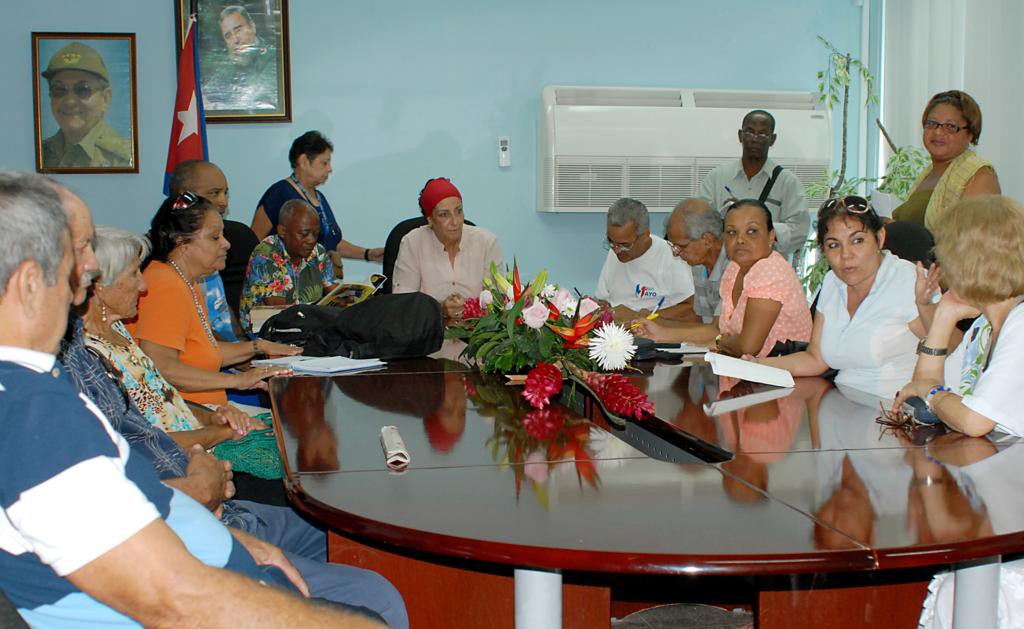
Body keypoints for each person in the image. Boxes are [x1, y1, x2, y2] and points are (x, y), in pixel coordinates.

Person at [0, 171, 383, 627]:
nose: (91, 270)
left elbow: (131, 507)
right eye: (79, 249)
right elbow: (175, 599)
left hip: (213, 541)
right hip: (209, 588)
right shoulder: (31, 415)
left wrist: (234, 537)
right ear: (28, 282)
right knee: (377, 599)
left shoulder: (44, 386)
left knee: (365, 557)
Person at [131, 193, 300, 408]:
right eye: (215, 237)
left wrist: (258, 347)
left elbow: (202, 353)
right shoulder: (165, 283)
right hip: (190, 416)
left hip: (210, 410)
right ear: (182, 243)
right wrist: (238, 380)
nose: (226, 244)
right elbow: (162, 366)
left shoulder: (184, 280)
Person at [753, 197, 926, 397]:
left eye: (857, 241)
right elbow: (816, 359)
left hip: (890, 413)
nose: (846, 255)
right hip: (839, 403)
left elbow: (949, 348)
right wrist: (757, 365)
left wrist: (927, 309)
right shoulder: (833, 282)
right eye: (834, 245)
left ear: (880, 238)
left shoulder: (908, 279)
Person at [894, 195, 1024, 437]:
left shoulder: (1020, 325)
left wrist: (932, 393)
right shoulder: (984, 326)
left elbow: (974, 422)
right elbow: (922, 384)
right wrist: (943, 316)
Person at [251, 131, 383, 277]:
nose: (329, 168)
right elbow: (255, 241)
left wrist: (368, 254)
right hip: (286, 284)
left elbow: (331, 242)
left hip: (318, 284)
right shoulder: (279, 193)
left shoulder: (319, 198)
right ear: (303, 161)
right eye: (324, 162)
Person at [698, 109, 809, 257]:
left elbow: (799, 232)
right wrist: (727, 219)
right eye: (749, 132)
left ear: (773, 139)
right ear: (740, 135)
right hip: (725, 271)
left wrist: (757, 225)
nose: (755, 139)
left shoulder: (788, 183)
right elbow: (699, 222)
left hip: (768, 272)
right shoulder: (716, 177)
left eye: (763, 134)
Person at [393, 177, 503, 320]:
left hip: (477, 337)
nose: (455, 222)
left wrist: (471, 309)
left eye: (459, 211)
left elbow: (498, 303)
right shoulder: (412, 243)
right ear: (430, 220)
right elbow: (403, 306)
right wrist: (440, 310)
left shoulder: (487, 242)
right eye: (444, 215)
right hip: (428, 337)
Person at [714, 199, 811, 358]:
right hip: (749, 372)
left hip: (784, 377)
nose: (740, 240)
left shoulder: (771, 269)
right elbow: (726, 335)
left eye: (751, 231)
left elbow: (747, 347)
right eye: (732, 232)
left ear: (771, 236)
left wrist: (720, 341)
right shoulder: (734, 268)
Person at [168, 159, 253, 340]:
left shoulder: (233, 239)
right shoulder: (164, 264)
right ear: (185, 196)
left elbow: (221, 309)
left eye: (225, 193)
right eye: (214, 193)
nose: (223, 202)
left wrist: (247, 346)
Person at [891, 90, 1000, 230]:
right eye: (932, 123)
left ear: (971, 135)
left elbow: (975, 242)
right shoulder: (927, 174)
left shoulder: (980, 176)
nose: (938, 132)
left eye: (950, 126)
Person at [633, 198, 726, 344]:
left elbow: (718, 331)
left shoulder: (733, 267)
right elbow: (699, 324)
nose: (676, 253)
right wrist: (654, 321)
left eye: (681, 246)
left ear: (707, 240)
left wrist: (661, 333)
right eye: (673, 246)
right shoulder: (699, 266)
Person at [239, 199, 337, 334]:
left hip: (306, 326)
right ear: (282, 231)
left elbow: (333, 290)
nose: (311, 240)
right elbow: (279, 309)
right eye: (304, 234)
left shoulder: (317, 251)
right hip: (266, 331)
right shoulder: (266, 253)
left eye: (316, 234)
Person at [595, 197, 695, 322]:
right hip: (616, 332)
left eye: (624, 245)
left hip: (654, 333)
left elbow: (690, 307)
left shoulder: (672, 256)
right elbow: (603, 299)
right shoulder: (614, 251)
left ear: (645, 236)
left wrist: (642, 318)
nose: (616, 250)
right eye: (610, 241)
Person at [40, 42, 131, 168]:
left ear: (105, 98)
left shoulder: (125, 158)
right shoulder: (41, 154)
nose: (70, 101)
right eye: (59, 90)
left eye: (83, 90)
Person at [202, 5, 279, 112]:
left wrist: (216, 107)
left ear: (252, 27)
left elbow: (258, 102)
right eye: (228, 36)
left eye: (238, 30)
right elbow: (206, 95)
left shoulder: (273, 58)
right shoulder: (229, 62)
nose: (235, 40)